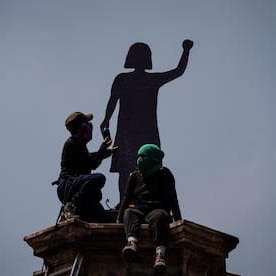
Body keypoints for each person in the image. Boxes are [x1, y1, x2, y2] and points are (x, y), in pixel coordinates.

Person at [101, 39, 193, 204]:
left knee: (138, 170)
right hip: (131, 132)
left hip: (140, 132)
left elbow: (178, 71)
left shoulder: (136, 79)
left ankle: (138, 200)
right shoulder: (127, 79)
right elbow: (112, 100)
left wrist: (186, 50)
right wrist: (106, 119)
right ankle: (126, 202)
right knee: (127, 170)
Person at [117, 144, 182, 274]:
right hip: (139, 208)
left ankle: (160, 256)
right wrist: (119, 218)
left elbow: (172, 198)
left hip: (157, 208)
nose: (139, 159)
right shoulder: (135, 176)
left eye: (143, 156)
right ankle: (132, 244)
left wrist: (178, 219)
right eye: (138, 156)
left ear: (152, 158)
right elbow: (126, 198)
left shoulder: (164, 174)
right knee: (129, 212)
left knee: (159, 217)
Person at [54, 112, 118, 222]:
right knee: (98, 178)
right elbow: (89, 162)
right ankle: (71, 206)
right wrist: (106, 151)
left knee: (104, 219)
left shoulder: (80, 145)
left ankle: (73, 209)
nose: (90, 126)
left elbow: (91, 163)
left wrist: (103, 149)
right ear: (83, 128)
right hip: (68, 187)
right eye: (88, 124)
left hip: (78, 188)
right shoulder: (71, 144)